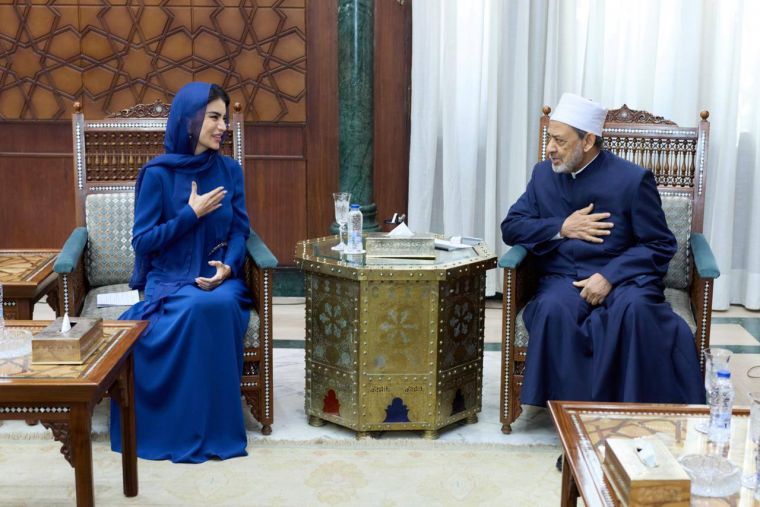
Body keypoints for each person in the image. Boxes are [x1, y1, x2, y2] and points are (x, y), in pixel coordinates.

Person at [501, 92, 703, 408]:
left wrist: (609, 276)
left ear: (588, 141)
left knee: (636, 312)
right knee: (553, 310)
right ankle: (573, 415)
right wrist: (562, 226)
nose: (550, 148)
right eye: (550, 138)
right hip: (564, 279)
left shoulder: (633, 180)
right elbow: (511, 227)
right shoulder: (543, 175)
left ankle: (632, 411)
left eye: (559, 141)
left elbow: (660, 244)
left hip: (625, 280)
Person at [110, 82, 251, 463]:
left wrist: (228, 267)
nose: (223, 126)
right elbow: (142, 242)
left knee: (216, 304)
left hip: (219, 280)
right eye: (214, 117)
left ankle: (216, 431)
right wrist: (191, 214)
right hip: (170, 280)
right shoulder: (158, 175)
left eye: (225, 118)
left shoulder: (230, 170)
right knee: (195, 307)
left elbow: (240, 231)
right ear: (190, 120)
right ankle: (180, 429)